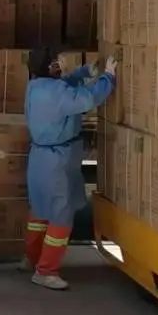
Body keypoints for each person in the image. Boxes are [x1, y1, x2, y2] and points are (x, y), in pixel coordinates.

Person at [24, 49, 117, 290]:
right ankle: (46, 271)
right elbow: (88, 98)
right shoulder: (57, 93)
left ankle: (33, 259)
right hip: (57, 161)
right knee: (61, 216)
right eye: (58, 61)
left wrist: (84, 72)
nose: (62, 63)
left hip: (40, 158)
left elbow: (65, 86)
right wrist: (107, 77)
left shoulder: (35, 86)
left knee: (40, 211)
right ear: (50, 66)